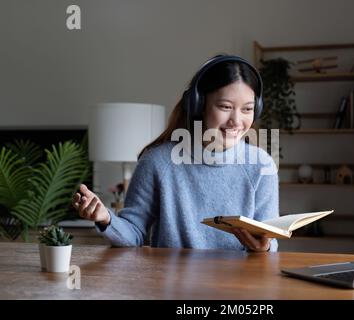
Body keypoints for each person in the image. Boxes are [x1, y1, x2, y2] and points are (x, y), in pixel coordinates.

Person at [72, 55, 279, 252]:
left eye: (247, 109)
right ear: (199, 104)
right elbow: (133, 233)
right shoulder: (157, 162)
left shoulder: (261, 165)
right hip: (171, 284)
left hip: (239, 284)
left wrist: (265, 247)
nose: (236, 120)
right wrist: (105, 217)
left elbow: (268, 244)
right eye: (225, 106)